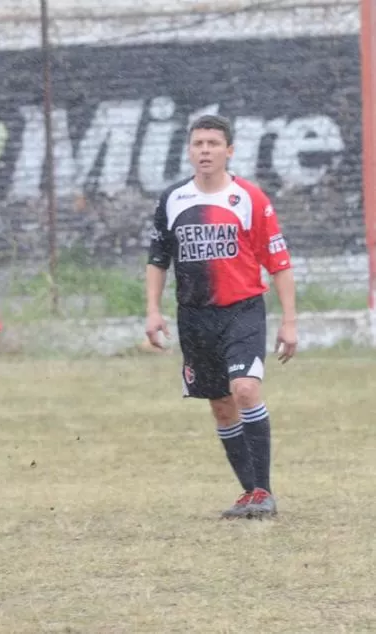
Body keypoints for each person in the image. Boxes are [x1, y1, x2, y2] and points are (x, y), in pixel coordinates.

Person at [144, 114, 298, 519]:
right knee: (221, 406)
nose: (205, 150)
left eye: (214, 143)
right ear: (190, 151)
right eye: (198, 144)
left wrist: (290, 321)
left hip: (243, 310)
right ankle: (250, 493)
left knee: (245, 389)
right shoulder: (173, 200)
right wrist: (153, 311)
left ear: (229, 151)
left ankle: (264, 490)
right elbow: (158, 259)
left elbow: (279, 263)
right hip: (195, 317)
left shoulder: (250, 198)